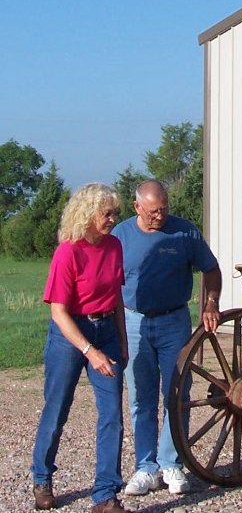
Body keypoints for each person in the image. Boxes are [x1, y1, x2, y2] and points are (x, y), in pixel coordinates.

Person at [112, 179, 221, 496]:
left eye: (164, 210)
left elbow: (211, 270)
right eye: (152, 212)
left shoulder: (184, 232)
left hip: (174, 321)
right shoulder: (120, 236)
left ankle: (171, 464)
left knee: (177, 393)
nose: (159, 216)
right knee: (140, 398)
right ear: (137, 207)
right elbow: (105, 278)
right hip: (133, 323)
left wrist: (210, 303)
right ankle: (145, 468)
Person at [31, 183, 132, 513]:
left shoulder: (114, 246)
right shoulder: (68, 252)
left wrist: (121, 341)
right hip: (70, 332)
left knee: (112, 414)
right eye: (107, 213)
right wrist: (90, 350)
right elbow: (58, 312)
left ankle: (105, 495)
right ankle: (42, 478)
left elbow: (116, 297)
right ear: (88, 213)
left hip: (106, 331)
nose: (112, 219)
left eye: (115, 213)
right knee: (57, 408)